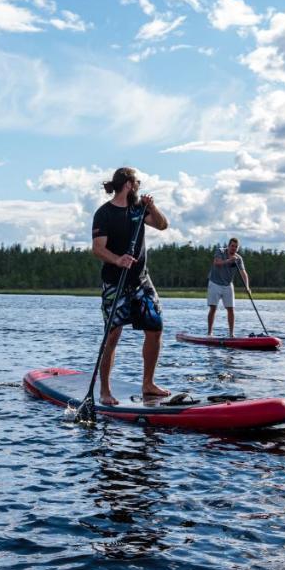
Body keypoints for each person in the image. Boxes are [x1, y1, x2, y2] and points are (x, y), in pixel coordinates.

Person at [91, 167, 170, 406]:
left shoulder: (139, 209)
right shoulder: (104, 213)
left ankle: (148, 383)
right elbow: (97, 248)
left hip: (141, 281)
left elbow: (162, 225)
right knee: (113, 336)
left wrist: (152, 207)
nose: (139, 184)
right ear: (128, 183)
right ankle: (105, 390)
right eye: (137, 181)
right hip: (115, 283)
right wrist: (118, 259)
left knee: (155, 329)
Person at [206, 237, 250, 336]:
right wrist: (229, 260)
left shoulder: (239, 259)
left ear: (238, 248)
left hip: (228, 284)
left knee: (231, 309)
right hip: (214, 283)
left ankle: (231, 334)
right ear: (228, 246)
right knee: (213, 308)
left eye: (236, 247)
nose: (233, 248)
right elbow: (216, 263)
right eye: (232, 246)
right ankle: (209, 333)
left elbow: (243, 273)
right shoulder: (220, 251)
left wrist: (247, 287)